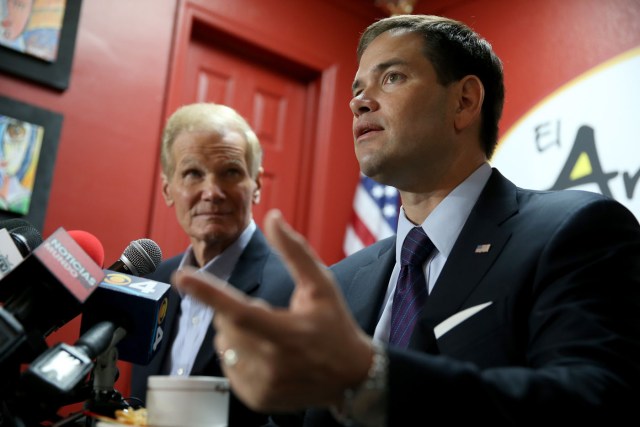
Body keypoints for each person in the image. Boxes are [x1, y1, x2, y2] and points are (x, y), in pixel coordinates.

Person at [172, 15, 640, 427]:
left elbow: (593, 403)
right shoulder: (341, 281)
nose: (359, 102)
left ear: (464, 101)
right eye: (357, 89)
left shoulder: (575, 231)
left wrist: (371, 379)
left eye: (391, 78)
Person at [129, 103, 294, 426]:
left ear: (257, 185)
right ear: (168, 189)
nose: (212, 192)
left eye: (230, 172)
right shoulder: (155, 279)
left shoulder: (293, 291)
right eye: (193, 173)